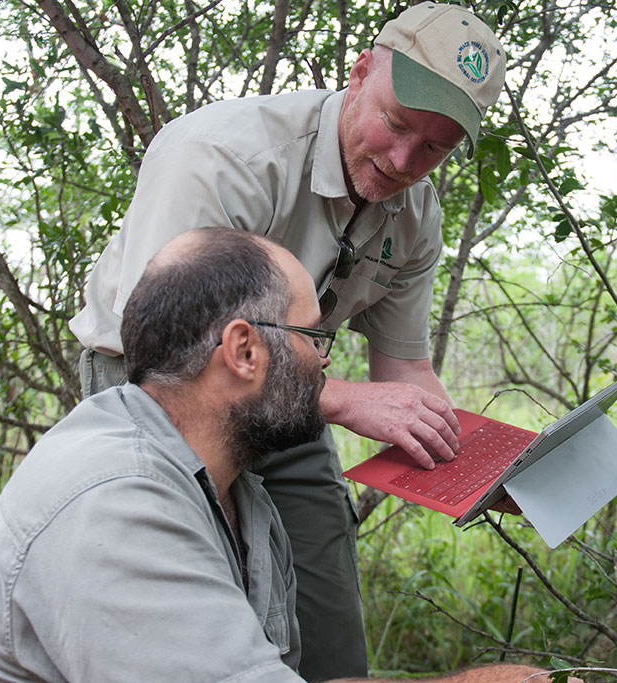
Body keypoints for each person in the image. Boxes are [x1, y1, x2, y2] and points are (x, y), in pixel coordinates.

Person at [68, 4, 508, 680]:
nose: (402, 159)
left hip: (291, 402)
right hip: (155, 394)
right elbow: (167, 341)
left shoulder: (414, 214)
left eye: (433, 148)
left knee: (322, 599)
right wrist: (346, 397)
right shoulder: (223, 156)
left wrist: (470, 464)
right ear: (359, 74)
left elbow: (406, 367)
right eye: (395, 124)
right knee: (175, 614)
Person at [0, 229, 564, 683]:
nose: (325, 359)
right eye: (314, 336)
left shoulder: (233, 490)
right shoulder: (113, 503)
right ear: (245, 351)